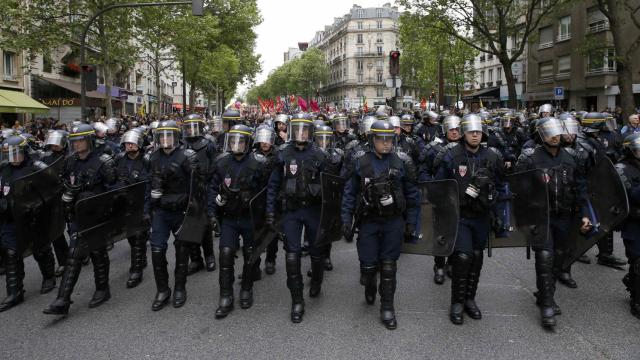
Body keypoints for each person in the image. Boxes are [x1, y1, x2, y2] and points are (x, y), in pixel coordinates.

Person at [341, 120, 419, 330]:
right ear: (372, 139)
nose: (386, 143)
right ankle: (369, 283)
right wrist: (346, 219)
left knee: (388, 266)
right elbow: (349, 192)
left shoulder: (402, 161)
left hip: (393, 222)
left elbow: (413, 195)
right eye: (381, 139)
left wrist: (412, 223)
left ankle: (387, 307)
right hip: (368, 221)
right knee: (367, 266)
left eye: (389, 139)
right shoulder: (360, 161)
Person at [515, 117, 592, 328]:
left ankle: (545, 293)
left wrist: (585, 214)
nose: (555, 135)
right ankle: (547, 305)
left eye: (558, 131)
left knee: (559, 258)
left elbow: (581, 188)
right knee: (545, 256)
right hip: (541, 217)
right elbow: (519, 190)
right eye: (550, 132)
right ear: (541, 134)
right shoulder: (530, 159)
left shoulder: (571, 157)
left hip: (564, 216)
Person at [435, 114, 505, 325]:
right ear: (464, 133)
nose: (475, 135)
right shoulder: (451, 156)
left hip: (482, 216)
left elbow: (502, 186)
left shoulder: (492, 157)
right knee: (463, 258)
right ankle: (456, 302)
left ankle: (470, 299)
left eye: (478, 132)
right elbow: (439, 185)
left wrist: (499, 214)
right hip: (460, 217)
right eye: (471, 132)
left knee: (476, 257)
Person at [43, 124, 117, 315]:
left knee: (98, 253)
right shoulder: (70, 162)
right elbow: (65, 182)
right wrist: (68, 194)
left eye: (80, 140)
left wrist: (96, 198)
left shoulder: (104, 161)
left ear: (90, 140)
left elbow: (115, 191)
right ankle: (62, 299)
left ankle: (102, 289)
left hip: (97, 215)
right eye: (74, 141)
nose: (76, 144)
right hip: (78, 215)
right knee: (74, 254)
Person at [265, 113, 327, 323]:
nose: (301, 133)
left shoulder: (319, 155)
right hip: (291, 210)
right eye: (297, 128)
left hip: (313, 210)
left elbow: (331, 186)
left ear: (310, 131)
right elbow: (273, 185)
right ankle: (297, 299)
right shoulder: (282, 154)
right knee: (292, 256)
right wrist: (270, 211)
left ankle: (317, 279)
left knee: (317, 252)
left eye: (305, 129)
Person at [212, 125, 269, 318]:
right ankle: (225, 296)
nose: (236, 145)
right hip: (229, 217)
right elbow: (212, 187)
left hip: (249, 217)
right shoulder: (221, 162)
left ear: (248, 143)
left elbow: (266, 190)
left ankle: (246, 288)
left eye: (241, 141)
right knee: (226, 254)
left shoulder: (258, 163)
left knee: (250, 254)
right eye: (233, 140)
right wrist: (216, 203)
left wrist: (258, 207)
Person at [0, 136, 58, 312]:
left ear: (25, 152)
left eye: (16, 153)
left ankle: (49, 277)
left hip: (33, 217)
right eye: (9, 154)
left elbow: (53, 190)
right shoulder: (3, 169)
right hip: (10, 218)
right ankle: (15, 292)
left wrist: (36, 205)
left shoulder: (37, 168)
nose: (13, 157)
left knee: (40, 249)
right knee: (11, 253)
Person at [147, 120, 200, 311]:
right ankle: (162, 289)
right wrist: (148, 208)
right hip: (161, 210)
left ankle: (179, 287)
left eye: (169, 135)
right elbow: (148, 185)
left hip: (181, 211)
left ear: (176, 137)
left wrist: (192, 208)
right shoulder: (153, 158)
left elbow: (196, 186)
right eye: (162, 135)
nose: (165, 139)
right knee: (157, 249)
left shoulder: (187, 157)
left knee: (181, 250)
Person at [114, 130, 151, 288]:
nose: (129, 146)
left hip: (142, 202)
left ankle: (136, 270)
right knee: (131, 236)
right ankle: (141, 260)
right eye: (127, 143)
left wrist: (147, 209)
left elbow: (151, 184)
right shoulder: (119, 160)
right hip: (126, 204)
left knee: (138, 236)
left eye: (132, 143)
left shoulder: (147, 160)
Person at [615, 133, 640, 319]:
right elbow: (632, 196)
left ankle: (632, 280)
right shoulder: (621, 169)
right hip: (634, 224)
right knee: (638, 261)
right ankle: (637, 300)